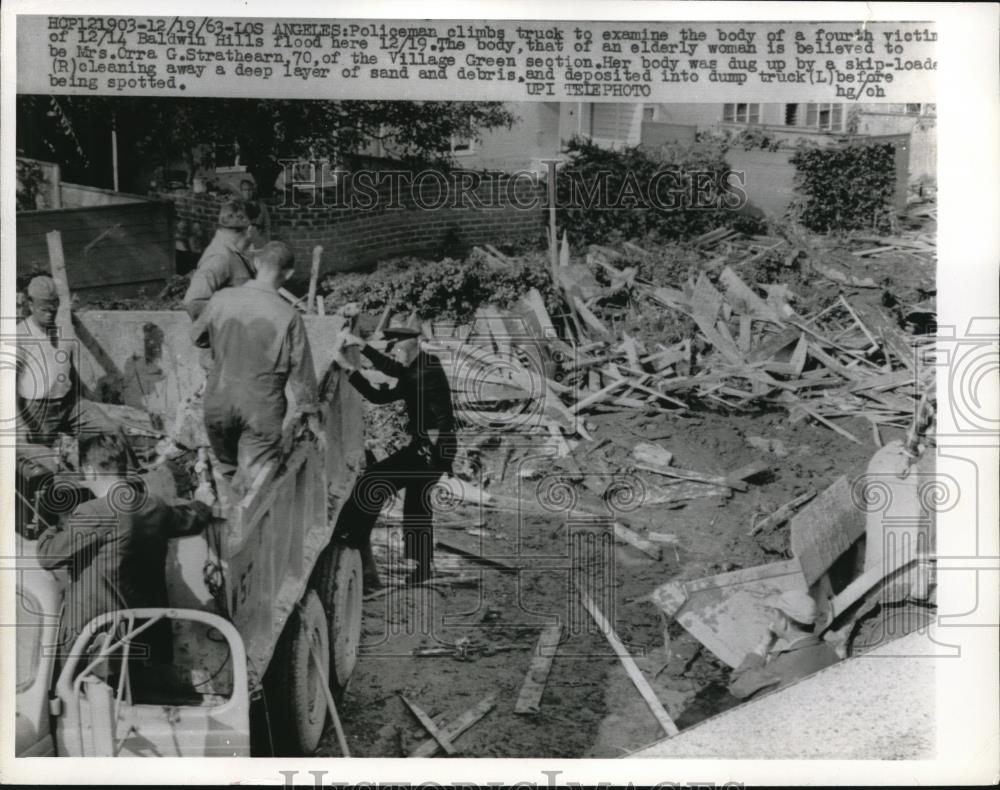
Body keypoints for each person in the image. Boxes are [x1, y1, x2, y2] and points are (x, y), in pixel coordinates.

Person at [37, 433, 216, 663]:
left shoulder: (93, 511)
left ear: (89, 470)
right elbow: (190, 520)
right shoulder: (154, 505)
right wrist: (202, 502)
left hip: (95, 644)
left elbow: (48, 556)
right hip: (142, 636)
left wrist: (53, 521)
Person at [332, 320, 456, 585]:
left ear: (407, 347)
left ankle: (352, 538)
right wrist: (349, 371)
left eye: (396, 348)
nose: (393, 353)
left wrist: (361, 346)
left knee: (376, 481)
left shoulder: (428, 369)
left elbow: (395, 371)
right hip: (424, 449)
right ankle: (420, 567)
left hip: (433, 451)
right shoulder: (414, 372)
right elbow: (378, 397)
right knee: (414, 506)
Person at [191, 241, 319, 488]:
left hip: (218, 402)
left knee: (227, 473)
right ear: (289, 273)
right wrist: (310, 411)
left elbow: (197, 337)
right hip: (260, 409)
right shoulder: (289, 315)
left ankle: (227, 514)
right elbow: (301, 372)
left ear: (256, 263)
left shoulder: (220, 299)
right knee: (252, 487)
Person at [16, 276, 135, 455]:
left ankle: (133, 475)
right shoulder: (21, 335)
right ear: (31, 304)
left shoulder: (63, 329)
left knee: (111, 430)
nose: (50, 314)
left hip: (69, 405)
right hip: (37, 412)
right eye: (44, 310)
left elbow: (67, 367)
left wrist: (84, 396)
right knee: (44, 462)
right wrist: (22, 423)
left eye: (53, 309)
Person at [728, 590, 841, 701]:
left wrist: (764, 645)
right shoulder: (829, 650)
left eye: (773, 614)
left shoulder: (780, 666)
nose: (771, 620)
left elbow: (737, 686)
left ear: (784, 621)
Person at [182, 200, 255, 321]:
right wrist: (238, 310)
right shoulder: (220, 257)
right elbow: (194, 305)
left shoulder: (232, 253)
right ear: (249, 230)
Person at [239, 178, 270, 245]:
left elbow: (267, 225)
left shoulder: (262, 206)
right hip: (242, 241)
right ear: (241, 191)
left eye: (250, 190)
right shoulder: (237, 206)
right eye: (245, 190)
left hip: (258, 239)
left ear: (253, 191)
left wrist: (265, 241)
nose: (248, 192)